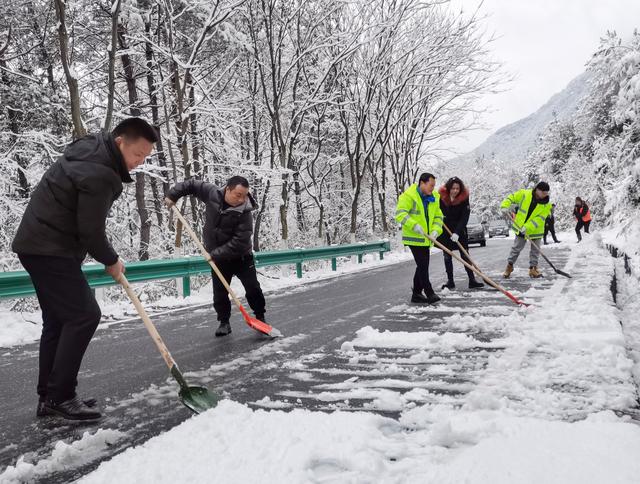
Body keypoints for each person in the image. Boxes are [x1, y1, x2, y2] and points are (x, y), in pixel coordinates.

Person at [12, 118, 157, 420]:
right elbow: (90, 230)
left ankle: (49, 397)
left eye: (145, 158)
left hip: (39, 244)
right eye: (137, 155)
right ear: (120, 143)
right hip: (49, 248)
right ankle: (61, 397)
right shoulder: (101, 171)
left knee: (59, 320)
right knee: (84, 315)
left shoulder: (91, 151)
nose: (139, 162)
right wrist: (112, 260)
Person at [165, 176, 266, 337]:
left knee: (253, 288)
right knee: (219, 292)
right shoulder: (212, 193)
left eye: (244, 195)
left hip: (241, 257)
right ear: (227, 189)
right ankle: (224, 322)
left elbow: (239, 242)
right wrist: (173, 195)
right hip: (219, 259)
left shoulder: (245, 212)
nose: (241, 199)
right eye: (238, 194)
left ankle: (260, 316)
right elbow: (191, 184)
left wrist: (214, 253)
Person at [394, 172, 444, 304]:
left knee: (422, 265)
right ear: (422, 183)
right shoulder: (409, 196)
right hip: (414, 237)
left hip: (427, 238)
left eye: (434, 186)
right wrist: (414, 225)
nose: (432, 188)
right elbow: (400, 214)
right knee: (423, 264)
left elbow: (439, 217)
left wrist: (435, 231)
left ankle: (416, 293)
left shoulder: (433, 197)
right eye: (430, 185)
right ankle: (429, 292)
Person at [437, 177, 484, 290]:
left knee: (465, 255)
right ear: (448, 188)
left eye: (457, 188)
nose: (455, 190)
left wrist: (457, 232)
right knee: (447, 256)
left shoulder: (464, 198)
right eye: (453, 188)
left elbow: (465, 216)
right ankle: (450, 281)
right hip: (446, 230)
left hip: (459, 230)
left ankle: (472, 280)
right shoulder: (441, 198)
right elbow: (437, 212)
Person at [500, 181, 552, 279]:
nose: (545, 195)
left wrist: (527, 227)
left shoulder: (546, 204)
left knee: (535, 251)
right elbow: (512, 197)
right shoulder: (524, 194)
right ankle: (509, 266)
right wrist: (504, 205)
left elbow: (540, 219)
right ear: (537, 190)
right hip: (520, 228)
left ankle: (533, 269)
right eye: (543, 193)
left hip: (535, 230)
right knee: (516, 249)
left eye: (546, 193)